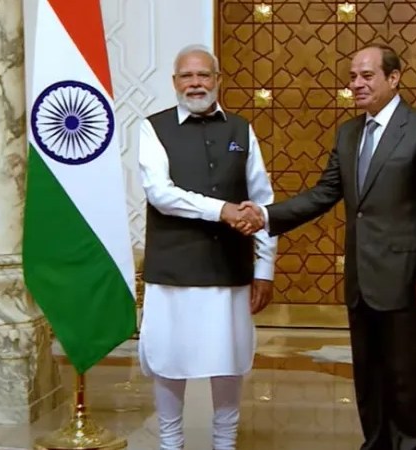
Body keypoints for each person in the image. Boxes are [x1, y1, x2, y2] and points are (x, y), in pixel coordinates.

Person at [238, 44, 416, 450]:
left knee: (406, 377)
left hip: (407, 280)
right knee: (368, 377)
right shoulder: (349, 133)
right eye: (353, 77)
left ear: (394, 78)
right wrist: (266, 216)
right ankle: (374, 444)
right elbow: (324, 193)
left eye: (367, 76)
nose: (356, 84)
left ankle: (410, 446)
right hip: (361, 279)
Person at [136, 44, 277, 450]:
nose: (195, 83)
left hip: (228, 269)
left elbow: (262, 202)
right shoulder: (153, 128)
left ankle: (225, 443)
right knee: (169, 360)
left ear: (217, 80)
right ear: (175, 82)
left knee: (229, 360)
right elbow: (160, 194)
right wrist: (222, 210)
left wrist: (265, 268)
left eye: (204, 75)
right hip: (173, 269)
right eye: (187, 76)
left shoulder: (241, 130)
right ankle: (170, 443)